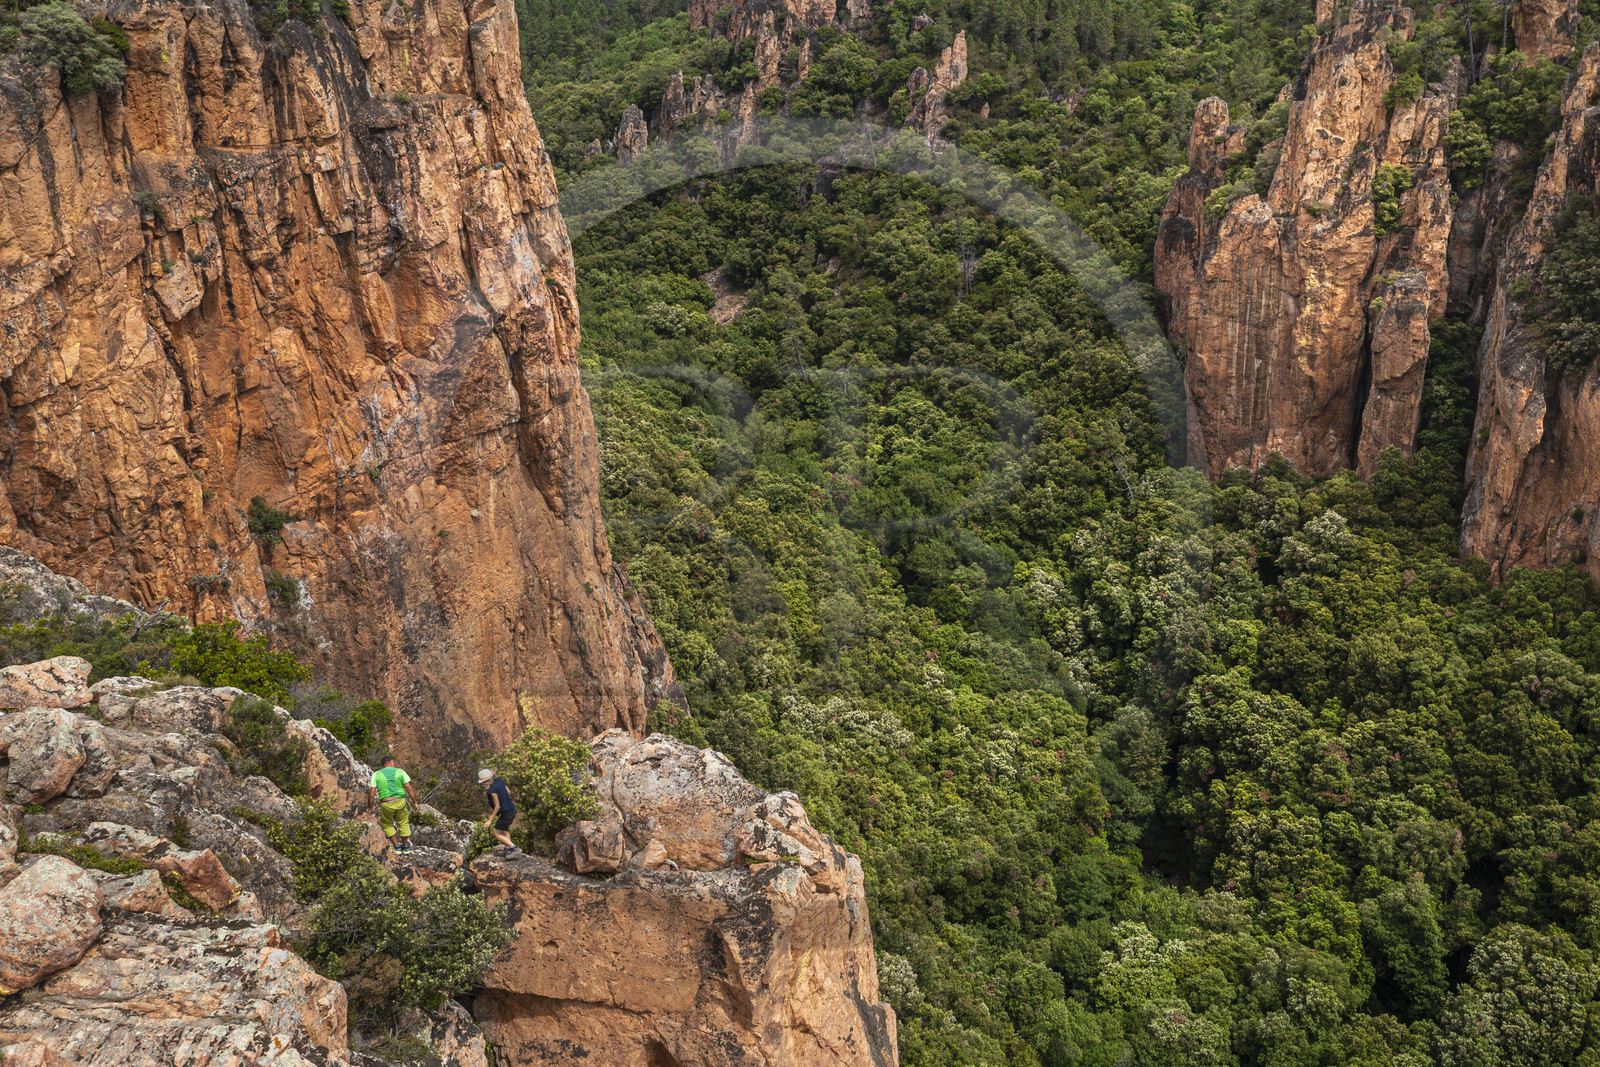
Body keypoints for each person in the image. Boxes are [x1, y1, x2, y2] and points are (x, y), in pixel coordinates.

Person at [369, 755, 418, 855]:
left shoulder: (376, 774)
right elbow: (409, 788)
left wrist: (370, 807)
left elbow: (371, 794)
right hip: (400, 802)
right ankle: (405, 847)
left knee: (387, 824)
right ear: (391, 763)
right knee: (403, 823)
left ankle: (397, 847)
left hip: (386, 804)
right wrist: (415, 802)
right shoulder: (400, 771)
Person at [479, 768, 518, 851]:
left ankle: (513, 847)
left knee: (496, 833)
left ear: (485, 781)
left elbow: (497, 806)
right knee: (504, 830)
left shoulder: (492, 791)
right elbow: (508, 792)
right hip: (511, 808)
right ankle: (509, 849)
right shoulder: (499, 780)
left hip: (506, 812)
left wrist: (489, 821)